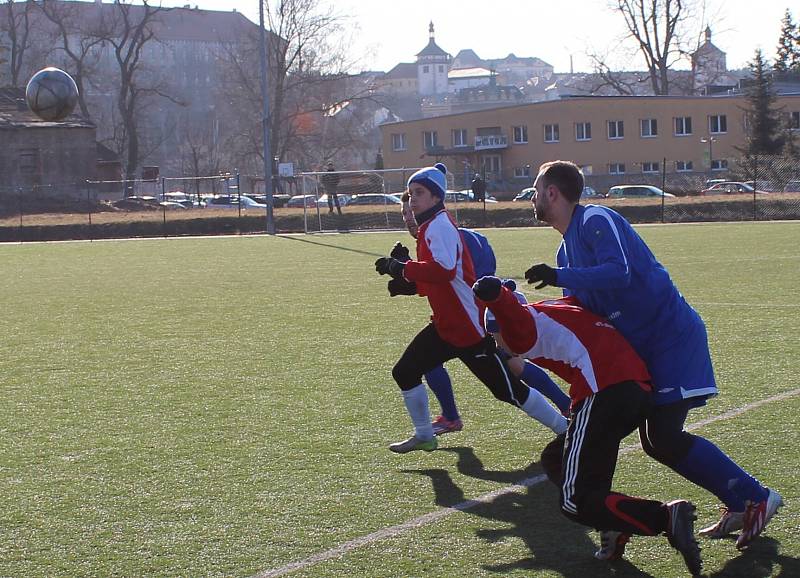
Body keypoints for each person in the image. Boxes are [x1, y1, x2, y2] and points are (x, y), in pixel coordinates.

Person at [523, 160, 782, 553]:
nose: (533, 197)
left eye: (536, 190)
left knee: (661, 437)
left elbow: (619, 271)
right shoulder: (564, 250)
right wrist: (519, 312)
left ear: (553, 193)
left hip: (669, 339)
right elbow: (581, 313)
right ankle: (626, 516)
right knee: (640, 439)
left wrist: (561, 278)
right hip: (641, 352)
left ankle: (755, 496)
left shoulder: (595, 218)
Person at [472, 276, 703, 576]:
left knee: (574, 502)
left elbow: (511, 317)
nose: (495, 343)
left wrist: (495, 298)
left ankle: (663, 517)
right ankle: (613, 524)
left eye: (493, 335)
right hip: (634, 389)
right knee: (557, 457)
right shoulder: (558, 308)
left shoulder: (519, 328)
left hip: (605, 391)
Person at [374, 163, 567, 453]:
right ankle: (425, 434)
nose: (412, 199)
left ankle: (564, 428)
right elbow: (437, 282)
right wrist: (401, 276)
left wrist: (403, 269)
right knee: (405, 371)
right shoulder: (430, 225)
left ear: (437, 197)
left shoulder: (438, 225)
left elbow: (445, 271)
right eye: (411, 193)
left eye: (419, 192)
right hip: (446, 326)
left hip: (466, 329)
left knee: (509, 391)